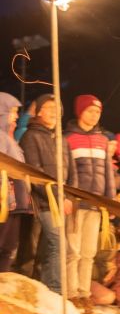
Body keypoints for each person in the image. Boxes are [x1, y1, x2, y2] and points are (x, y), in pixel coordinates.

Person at [19, 94, 77, 294]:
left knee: (52, 247)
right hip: (44, 203)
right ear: (39, 111)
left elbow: (72, 171)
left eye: (57, 109)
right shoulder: (30, 136)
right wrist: (58, 198)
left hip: (62, 203)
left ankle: (45, 289)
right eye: (50, 108)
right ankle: (54, 290)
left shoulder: (62, 140)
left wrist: (69, 197)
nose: (54, 113)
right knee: (57, 245)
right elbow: (35, 174)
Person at [65, 94, 114, 314]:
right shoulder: (68, 138)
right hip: (75, 204)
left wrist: (110, 201)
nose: (94, 115)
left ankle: (84, 293)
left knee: (88, 253)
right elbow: (65, 172)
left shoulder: (102, 140)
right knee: (72, 251)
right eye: (90, 111)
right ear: (80, 111)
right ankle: (71, 292)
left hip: (96, 205)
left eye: (98, 112)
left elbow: (109, 174)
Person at [0, 93, 32, 272]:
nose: (17, 116)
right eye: (13, 111)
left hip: (15, 203)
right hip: (4, 201)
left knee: (9, 247)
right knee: (2, 244)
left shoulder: (10, 139)